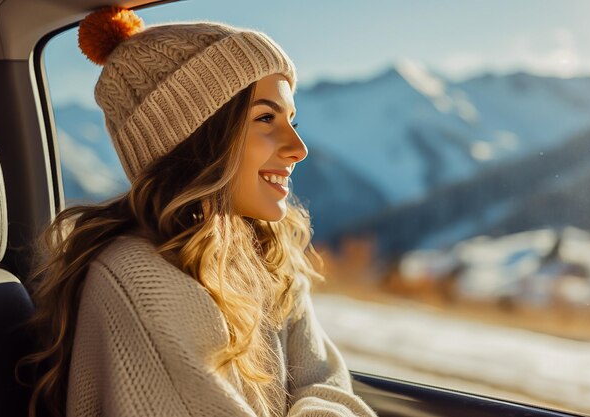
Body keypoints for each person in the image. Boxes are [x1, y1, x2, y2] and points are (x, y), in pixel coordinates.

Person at [19, 6, 378, 417]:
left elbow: (325, 383)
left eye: (291, 119)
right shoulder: (141, 283)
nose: (298, 148)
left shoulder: (265, 256)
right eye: (265, 117)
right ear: (195, 139)